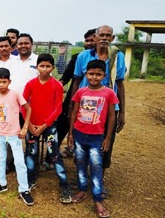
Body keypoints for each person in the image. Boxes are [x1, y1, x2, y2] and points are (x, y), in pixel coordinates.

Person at [71, 25, 126, 193]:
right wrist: (71, 106)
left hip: (109, 107)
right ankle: (82, 179)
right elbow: (76, 80)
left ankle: (99, 180)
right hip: (84, 107)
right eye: (101, 34)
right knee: (81, 142)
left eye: (108, 35)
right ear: (94, 37)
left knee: (105, 143)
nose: (104, 38)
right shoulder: (83, 56)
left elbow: (120, 83)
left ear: (112, 38)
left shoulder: (118, 57)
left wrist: (122, 111)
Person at [68, 60, 119, 218]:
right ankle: (82, 189)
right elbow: (75, 112)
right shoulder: (81, 92)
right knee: (80, 162)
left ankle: (98, 199)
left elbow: (112, 117)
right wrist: (70, 134)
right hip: (79, 134)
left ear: (104, 75)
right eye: (91, 74)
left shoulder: (109, 93)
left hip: (97, 137)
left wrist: (108, 138)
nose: (94, 77)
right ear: (86, 74)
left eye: (98, 74)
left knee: (96, 167)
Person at [23, 53, 72, 204]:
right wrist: (30, 125)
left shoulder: (57, 85)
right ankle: (30, 180)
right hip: (32, 125)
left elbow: (58, 109)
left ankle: (64, 186)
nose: (44, 69)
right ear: (36, 67)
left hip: (49, 126)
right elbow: (23, 105)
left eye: (48, 66)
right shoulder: (30, 84)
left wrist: (45, 125)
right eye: (41, 66)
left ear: (53, 67)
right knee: (31, 154)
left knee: (55, 155)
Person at [0, 68, 33, 205]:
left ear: (9, 81)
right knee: (0, 159)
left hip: (15, 134)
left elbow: (28, 109)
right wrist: (2, 123)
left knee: (19, 161)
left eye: (4, 82)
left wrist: (25, 127)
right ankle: (2, 183)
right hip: (0, 133)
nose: (1, 85)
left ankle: (24, 189)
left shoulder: (15, 94)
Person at [57, 29, 96, 157]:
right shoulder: (78, 58)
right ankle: (51, 156)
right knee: (62, 125)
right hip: (73, 99)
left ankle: (77, 152)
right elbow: (66, 76)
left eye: (92, 40)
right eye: (87, 40)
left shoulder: (108, 59)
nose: (89, 43)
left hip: (94, 103)